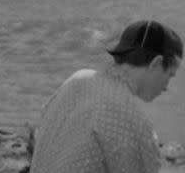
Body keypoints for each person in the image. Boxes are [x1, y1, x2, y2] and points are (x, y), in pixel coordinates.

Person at [30, 20, 183, 173]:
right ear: (156, 63)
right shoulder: (134, 122)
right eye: (169, 75)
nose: (166, 88)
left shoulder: (76, 80)